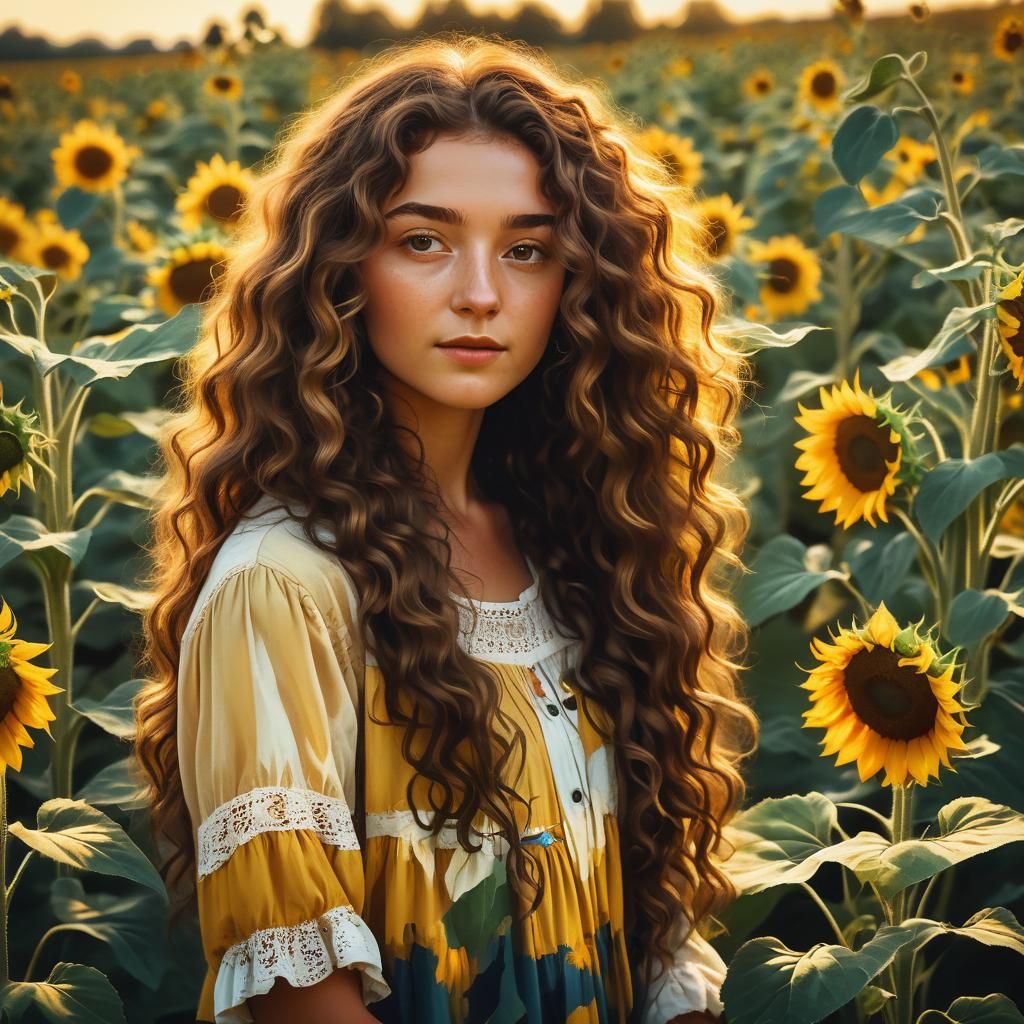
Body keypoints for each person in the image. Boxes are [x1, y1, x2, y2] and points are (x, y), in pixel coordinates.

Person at [133, 32, 759, 1024]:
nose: (480, 293)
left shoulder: (580, 547)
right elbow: (301, 994)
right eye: (423, 240)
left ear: (579, 281)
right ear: (340, 269)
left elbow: (648, 916)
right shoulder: (284, 581)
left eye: (526, 249)